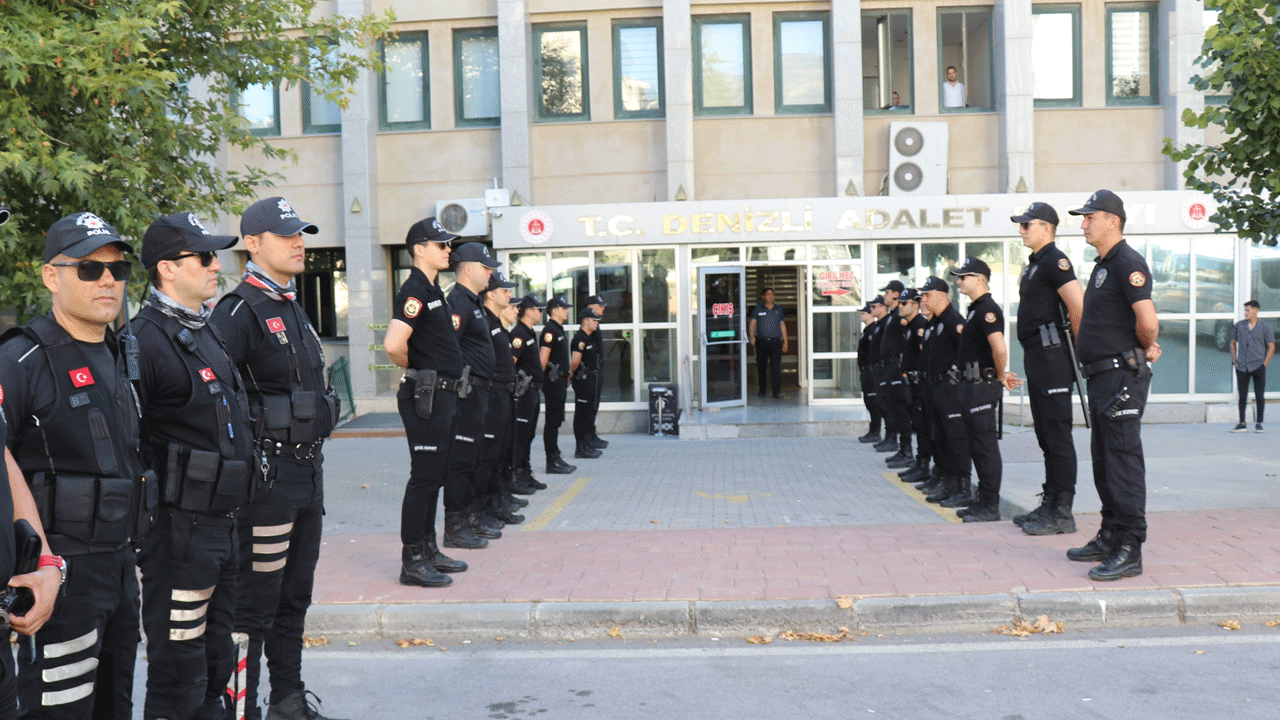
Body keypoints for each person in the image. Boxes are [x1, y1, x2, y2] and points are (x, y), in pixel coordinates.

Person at [0, 212, 148, 719]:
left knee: (114, 704)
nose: (109, 280)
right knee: (59, 708)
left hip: (120, 569)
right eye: (89, 268)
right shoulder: (22, 358)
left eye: (118, 269)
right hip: (60, 573)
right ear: (52, 277)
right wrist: (40, 563)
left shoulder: (118, 352)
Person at [209, 196, 341, 720]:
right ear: (253, 244)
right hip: (267, 482)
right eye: (286, 235)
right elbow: (217, 397)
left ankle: (287, 700)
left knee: (294, 600)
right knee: (253, 609)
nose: (298, 242)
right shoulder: (238, 310)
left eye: (301, 233)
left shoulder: (292, 305)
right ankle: (242, 709)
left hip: (307, 476)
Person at [133, 212, 253, 720]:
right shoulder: (144, 340)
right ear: (167, 268)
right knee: (179, 666)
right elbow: (129, 442)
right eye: (204, 256)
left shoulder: (203, 329)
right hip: (178, 531)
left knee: (216, 654)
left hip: (222, 524)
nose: (215, 264)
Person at [1066, 189, 1161, 582]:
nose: (1084, 223)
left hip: (1122, 377)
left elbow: (1148, 320)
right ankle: (1110, 535)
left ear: (1114, 221)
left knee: (1122, 463)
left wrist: (1139, 349)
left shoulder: (1128, 262)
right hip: (1103, 377)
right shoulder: (1104, 264)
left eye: (1091, 217)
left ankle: (1130, 548)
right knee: (1105, 462)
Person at [383, 217, 468, 588]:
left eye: (448, 245)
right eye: (441, 245)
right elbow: (392, 344)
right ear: (419, 249)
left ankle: (428, 548)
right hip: (427, 395)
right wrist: (417, 369)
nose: (448, 250)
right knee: (424, 478)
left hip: (443, 394)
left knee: (435, 477)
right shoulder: (415, 291)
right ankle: (412, 559)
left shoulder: (435, 290)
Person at [1009, 202, 1086, 536]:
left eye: (1027, 225)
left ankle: (1062, 512)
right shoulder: (1035, 264)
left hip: (1053, 356)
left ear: (1046, 227)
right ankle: (1051, 501)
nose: (1021, 230)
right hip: (1038, 355)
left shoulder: (1055, 260)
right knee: (1044, 433)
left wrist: (1082, 351)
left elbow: (1077, 304)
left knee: (1057, 434)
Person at [950, 258, 1020, 522]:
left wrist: (1000, 375)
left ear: (980, 278)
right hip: (971, 385)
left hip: (981, 386)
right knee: (976, 447)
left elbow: (999, 348)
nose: (959, 282)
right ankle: (983, 501)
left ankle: (990, 506)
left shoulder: (987, 309)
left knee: (985, 447)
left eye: (963, 277)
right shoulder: (975, 309)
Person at [442, 242, 502, 549]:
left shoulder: (472, 301)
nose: (490, 272)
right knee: (461, 461)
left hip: (478, 392)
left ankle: (468, 517)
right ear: (468, 269)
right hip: (466, 394)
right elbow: (449, 348)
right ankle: (455, 525)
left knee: (472, 458)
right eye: (485, 267)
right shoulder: (459, 303)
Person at [471, 271, 523, 533]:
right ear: (491, 294)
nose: (510, 296)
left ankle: (496, 501)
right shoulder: (485, 323)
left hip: (503, 394)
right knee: (487, 456)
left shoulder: (495, 323)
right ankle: (482, 509)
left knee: (500, 453)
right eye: (505, 291)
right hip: (491, 395)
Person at [916, 276, 972, 508]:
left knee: (956, 439)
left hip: (950, 388)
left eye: (927, 295)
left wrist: (955, 377)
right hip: (936, 387)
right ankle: (946, 482)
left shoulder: (952, 320)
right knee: (940, 436)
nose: (924, 299)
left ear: (941, 295)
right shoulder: (936, 321)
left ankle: (963, 488)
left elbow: (966, 350)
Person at [509, 294, 547, 494]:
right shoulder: (519, 334)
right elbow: (511, 363)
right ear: (530, 311)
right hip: (524, 393)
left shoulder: (529, 332)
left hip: (533, 391)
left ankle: (525, 473)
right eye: (539, 309)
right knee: (520, 436)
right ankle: (515, 477)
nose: (541, 313)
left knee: (529, 434)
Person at [895, 288, 932, 476]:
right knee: (916, 424)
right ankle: (919, 462)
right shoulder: (910, 325)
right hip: (910, 382)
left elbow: (925, 354)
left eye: (904, 303)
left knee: (922, 426)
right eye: (899, 302)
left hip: (919, 384)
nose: (899, 306)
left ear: (915, 305)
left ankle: (924, 465)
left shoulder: (920, 325)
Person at [874, 281, 911, 464]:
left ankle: (905, 450)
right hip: (887, 366)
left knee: (899, 408)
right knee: (890, 405)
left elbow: (907, 339)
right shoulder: (892, 316)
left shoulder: (900, 315)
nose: (884, 296)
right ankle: (893, 440)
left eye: (887, 292)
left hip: (896, 367)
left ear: (896, 293)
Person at [540, 297, 577, 475]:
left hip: (560, 381)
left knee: (556, 421)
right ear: (554, 310)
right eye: (564, 308)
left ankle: (556, 456)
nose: (567, 311)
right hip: (553, 382)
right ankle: (551, 460)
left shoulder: (558, 329)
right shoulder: (550, 330)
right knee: (552, 422)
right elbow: (543, 359)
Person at [1231, 300, 1273, 432]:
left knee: (1259, 396)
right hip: (1242, 366)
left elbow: (1271, 346)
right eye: (1245, 310)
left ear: (1256, 310)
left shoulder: (1265, 327)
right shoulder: (1239, 326)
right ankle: (1242, 423)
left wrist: (1265, 363)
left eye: (1248, 310)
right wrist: (1235, 360)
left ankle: (1259, 423)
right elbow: (1232, 343)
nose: (1245, 313)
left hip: (1258, 366)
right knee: (1242, 396)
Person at [570, 308, 603, 459]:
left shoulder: (589, 338)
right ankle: (581, 447)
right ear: (586, 321)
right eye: (594, 320)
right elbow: (575, 361)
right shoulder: (580, 339)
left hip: (589, 380)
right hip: (582, 380)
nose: (596, 323)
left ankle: (586, 444)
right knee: (582, 414)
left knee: (588, 412)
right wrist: (572, 376)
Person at [749, 288, 788, 398]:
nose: (770, 296)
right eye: (767, 294)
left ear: (774, 296)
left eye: (771, 294)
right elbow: (752, 323)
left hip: (775, 342)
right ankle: (762, 390)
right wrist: (751, 336)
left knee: (775, 367)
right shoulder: (758, 308)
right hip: (761, 342)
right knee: (762, 367)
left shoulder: (778, 309)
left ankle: (776, 392)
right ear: (763, 296)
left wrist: (785, 341)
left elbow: (782, 325)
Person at [584, 294, 609, 449]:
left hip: (597, 370)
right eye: (600, 306)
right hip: (591, 372)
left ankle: (592, 434)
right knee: (589, 407)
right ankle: (587, 437)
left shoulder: (595, 324)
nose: (603, 308)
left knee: (595, 405)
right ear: (591, 307)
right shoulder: (588, 325)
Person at [857, 302, 883, 444]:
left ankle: (876, 432)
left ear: (870, 314)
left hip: (871, 371)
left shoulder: (874, 330)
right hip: (865, 371)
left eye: (863, 313)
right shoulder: (867, 330)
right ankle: (872, 431)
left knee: (873, 402)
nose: (861, 316)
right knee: (869, 401)